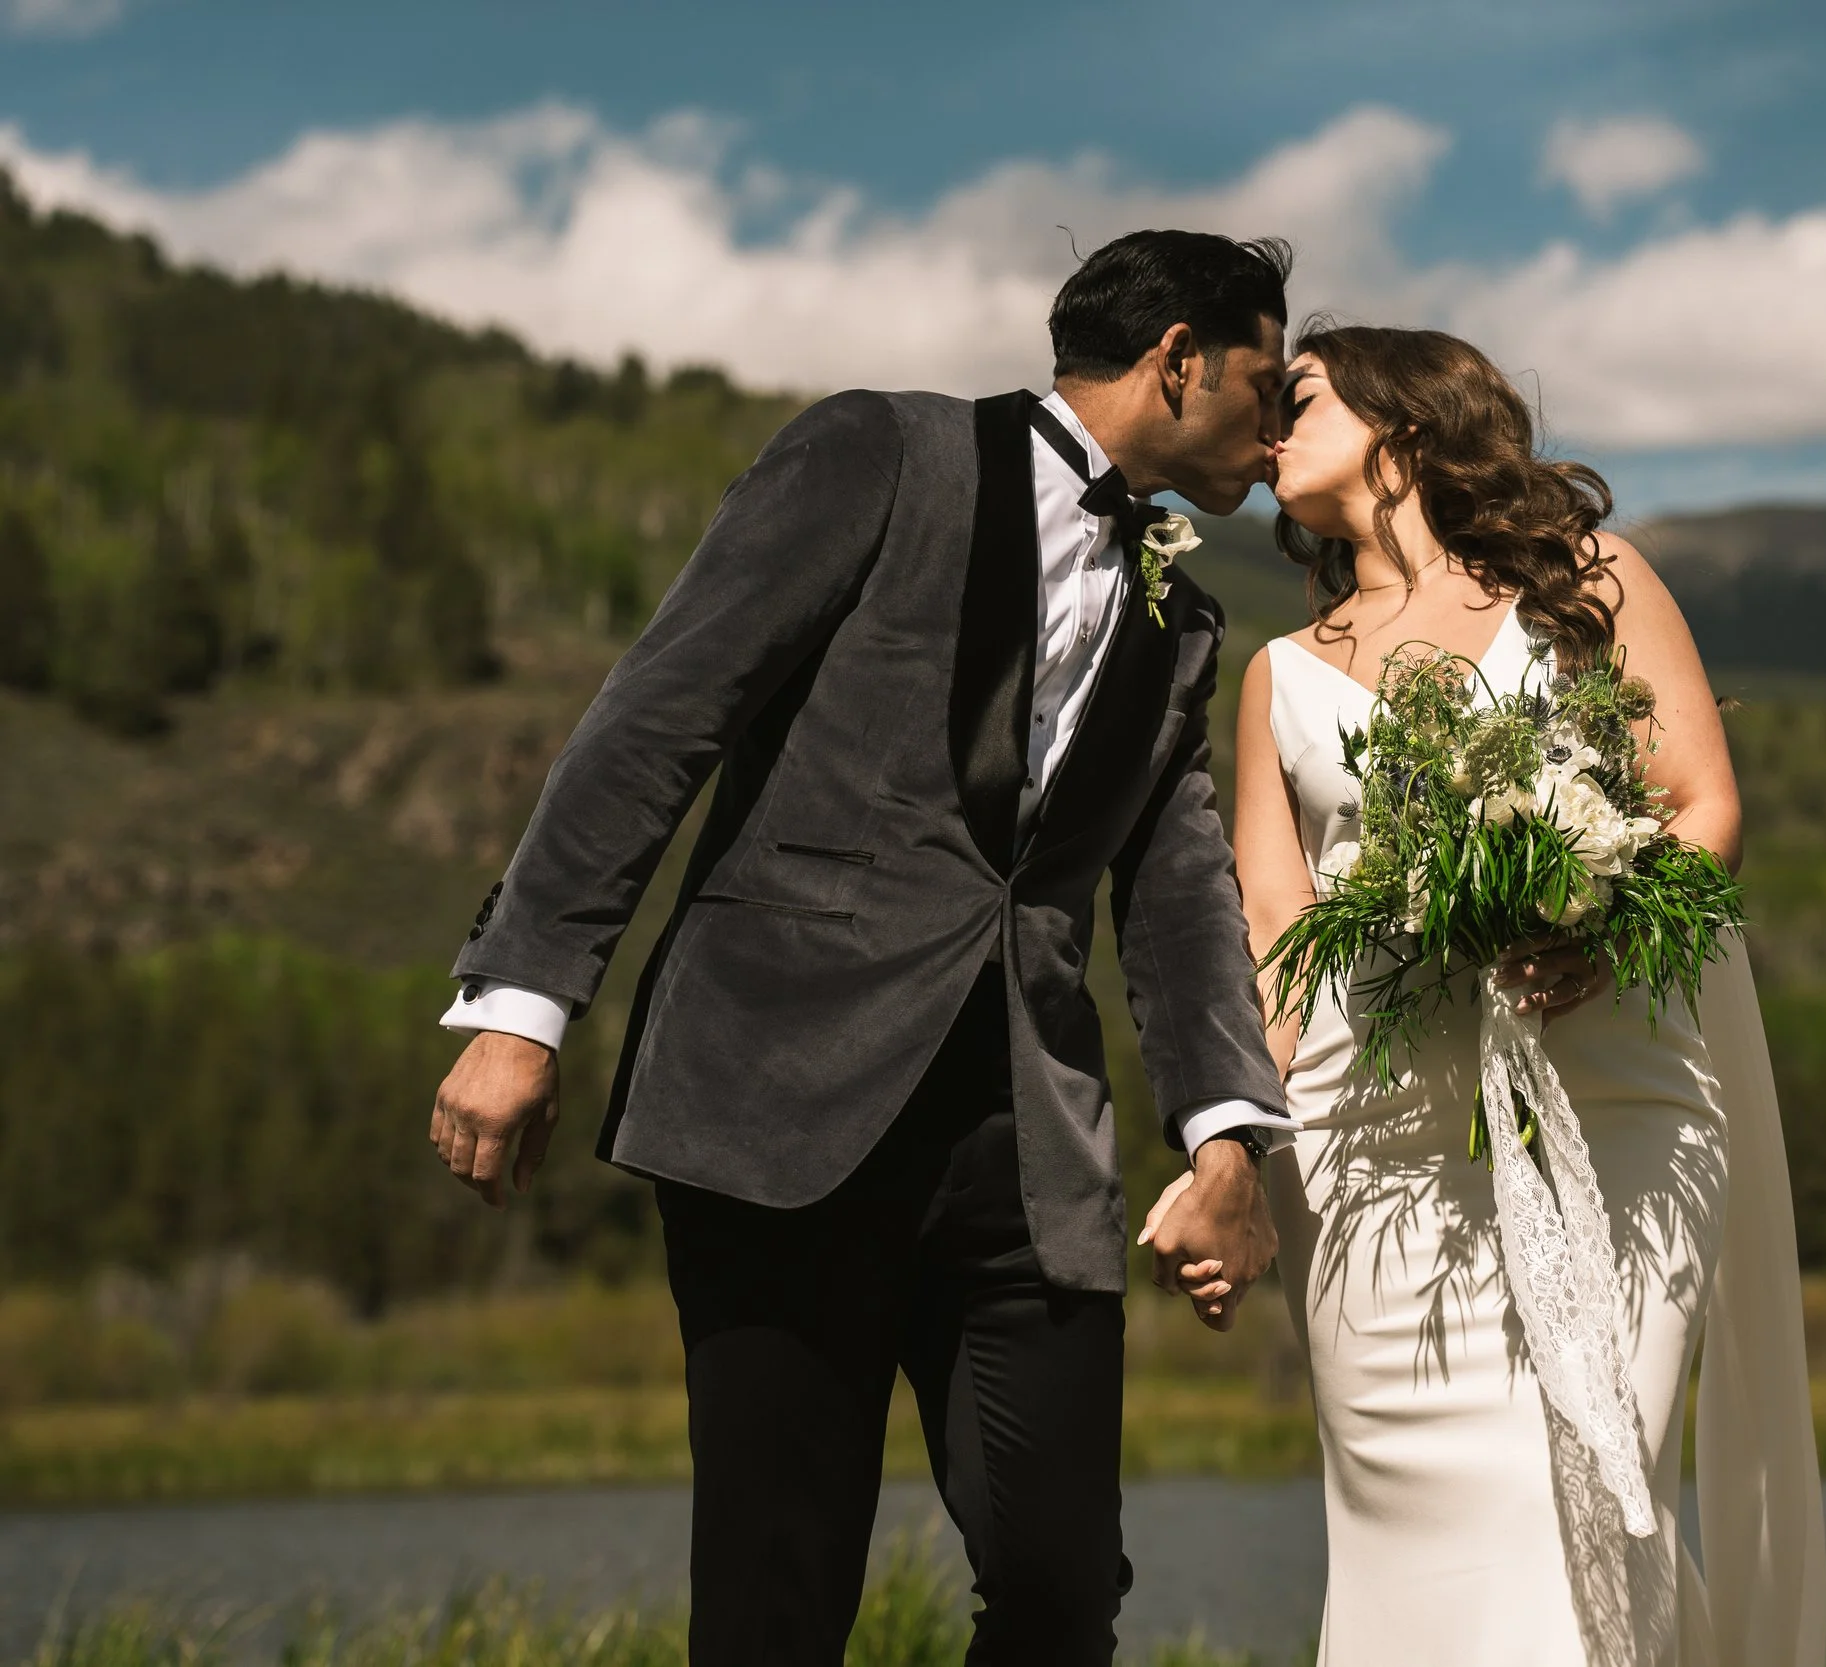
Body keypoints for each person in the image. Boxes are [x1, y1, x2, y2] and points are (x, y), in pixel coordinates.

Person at [423, 230, 1303, 1666]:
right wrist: (522, 1008)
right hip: (776, 1105)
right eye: (1266, 387)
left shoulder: (1184, 618)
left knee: (1063, 1580)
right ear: (1178, 359)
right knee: (780, 1595)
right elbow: (660, 716)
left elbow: (1179, 890)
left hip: (1025, 1144)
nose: (1278, 435)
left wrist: (1225, 1136)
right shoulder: (877, 453)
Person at [1169, 323, 1826, 1666]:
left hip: (1617, 1102)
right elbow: (1277, 939)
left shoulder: (1592, 586)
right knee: (1413, 1542)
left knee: (1581, 1503)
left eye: (1299, 397)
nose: (1267, 425)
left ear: (1405, 425)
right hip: (1373, 1154)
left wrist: (1608, 921)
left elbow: (1704, 808)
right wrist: (1233, 1151)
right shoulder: (1278, 679)